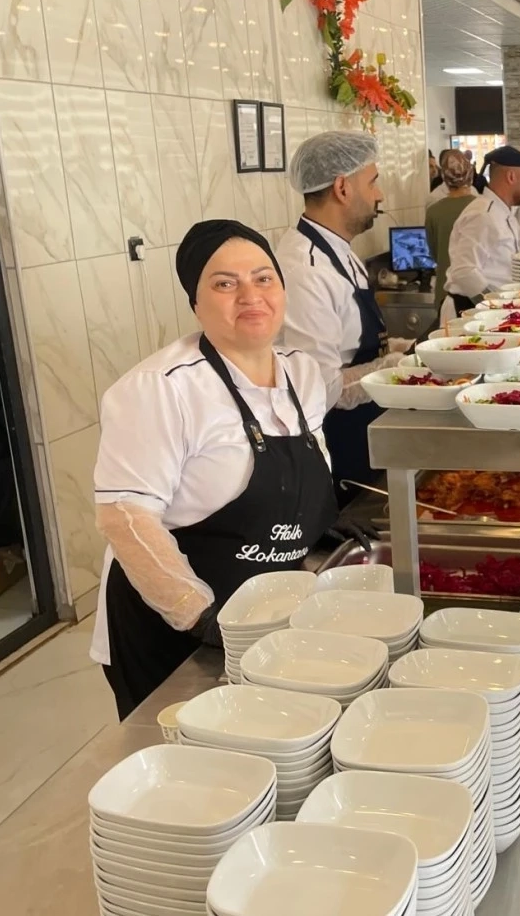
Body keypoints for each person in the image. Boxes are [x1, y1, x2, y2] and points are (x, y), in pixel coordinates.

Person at [91, 220, 339, 719]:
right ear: (196, 302)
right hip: (171, 631)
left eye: (263, 278)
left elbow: (299, 473)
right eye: (225, 283)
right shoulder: (161, 388)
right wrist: (197, 614)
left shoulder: (302, 372)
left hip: (268, 615)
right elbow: (125, 517)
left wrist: (318, 525)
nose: (251, 295)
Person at [275, 131, 410, 504]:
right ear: (342, 188)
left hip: (368, 428)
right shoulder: (305, 269)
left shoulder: (341, 251)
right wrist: (389, 368)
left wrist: (401, 350)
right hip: (337, 443)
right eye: (373, 182)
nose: (380, 195)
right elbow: (323, 389)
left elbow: (350, 344)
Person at [445, 145, 520, 314]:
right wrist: (494, 305)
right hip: (469, 310)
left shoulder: (502, 212)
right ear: (511, 176)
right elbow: (464, 271)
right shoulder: (483, 214)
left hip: (488, 309)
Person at [424, 151, 479, 315]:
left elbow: (434, 253)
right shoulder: (482, 207)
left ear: (444, 176)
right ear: (470, 173)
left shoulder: (433, 210)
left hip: (445, 290)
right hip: (476, 290)